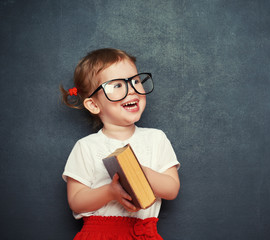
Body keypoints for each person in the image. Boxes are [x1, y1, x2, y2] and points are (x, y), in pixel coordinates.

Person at [60, 48, 180, 240]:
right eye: (116, 85)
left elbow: (172, 189)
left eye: (135, 81)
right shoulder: (86, 146)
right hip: (99, 234)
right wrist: (110, 192)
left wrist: (140, 172)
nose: (132, 89)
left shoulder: (156, 138)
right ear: (93, 105)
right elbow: (76, 201)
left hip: (143, 233)